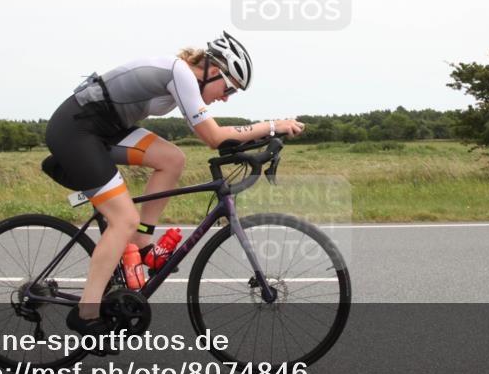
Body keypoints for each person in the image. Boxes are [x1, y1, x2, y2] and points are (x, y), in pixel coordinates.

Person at [42, 31, 304, 338]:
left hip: (106, 130)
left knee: (172, 159)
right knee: (123, 219)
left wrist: (264, 141)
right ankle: (86, 313)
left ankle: (142, 243)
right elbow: (214, 137)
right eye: (229, 88)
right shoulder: (179, 73)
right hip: (77, 130)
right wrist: (273, 125)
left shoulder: (181, 78)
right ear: (214, 69)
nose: (225, 97)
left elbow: (220, 139)